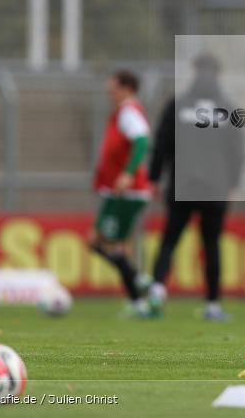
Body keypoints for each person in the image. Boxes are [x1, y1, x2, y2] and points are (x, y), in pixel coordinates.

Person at [147, 53, 245, 320]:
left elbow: (162, 144)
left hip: (182, 184)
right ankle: (212, 304)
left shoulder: (178, 105)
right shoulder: (228, 108)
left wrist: (154, 178)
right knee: (211, 244)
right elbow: (236, 151)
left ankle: (156, 293)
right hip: (215, 186)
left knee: (169, 240)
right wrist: (233, 183)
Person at [90, 70, 152, 318]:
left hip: (128, 192)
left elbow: (141, 141)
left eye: (113, 89)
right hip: (119, 191)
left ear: (127, 88)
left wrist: (128, 173)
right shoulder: (121, 113)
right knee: (115, 246)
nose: (110, 94)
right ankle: (138, 298)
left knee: (99, 241)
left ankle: (139, 285)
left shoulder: (129, 113)